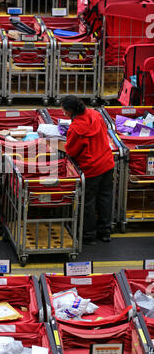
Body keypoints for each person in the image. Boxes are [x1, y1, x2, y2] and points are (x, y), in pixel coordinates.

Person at [59, 96, 115, 245]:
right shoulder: (96, 115)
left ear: (70, 111)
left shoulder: (76, 129)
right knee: (105, 198)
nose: (64, 114)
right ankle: (105, 232)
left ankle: (89, 235)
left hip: (91, 169)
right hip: (107, 163)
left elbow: (71, 151)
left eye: (64, 112)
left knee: (88, 202)